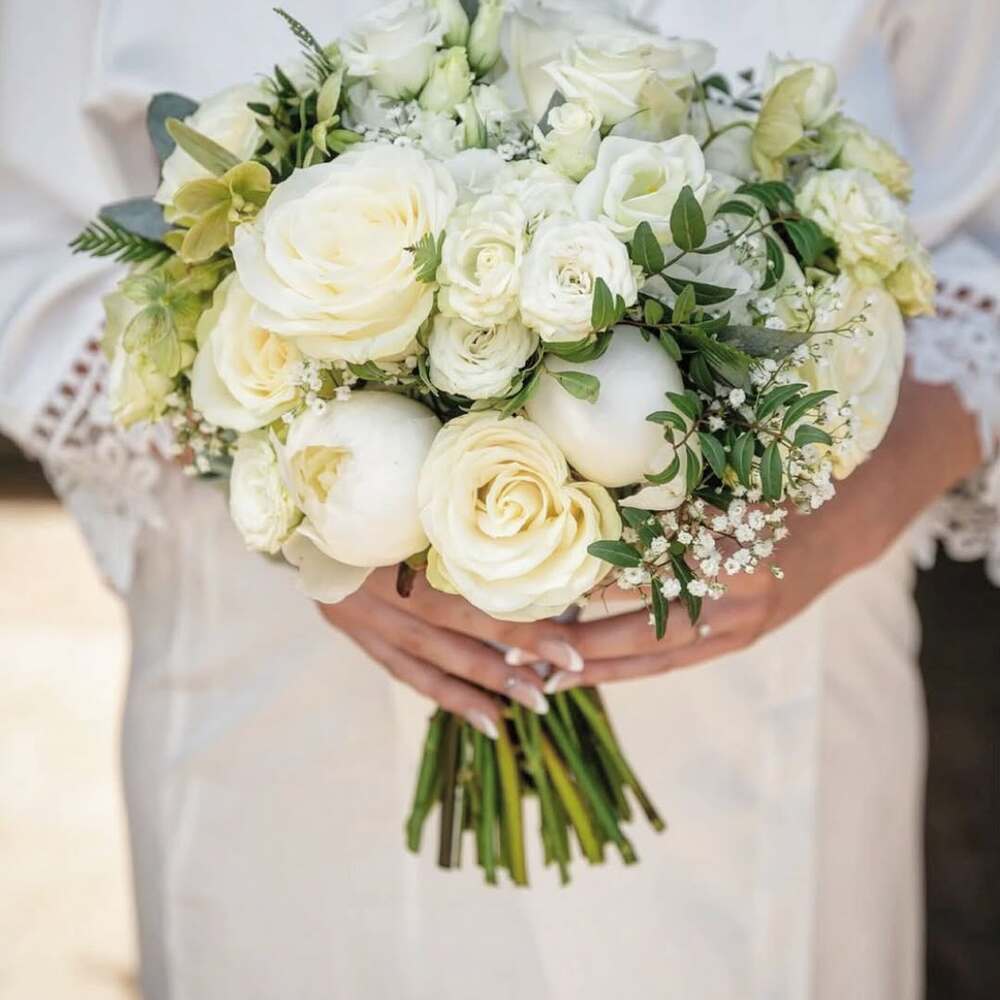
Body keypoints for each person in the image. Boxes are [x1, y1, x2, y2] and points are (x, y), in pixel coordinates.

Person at [1, 1, 998, 997]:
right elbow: (24, 252)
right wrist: (306, 497)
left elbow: (980, 259)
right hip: (284, 712)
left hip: (769, 702)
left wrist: (838, 524)